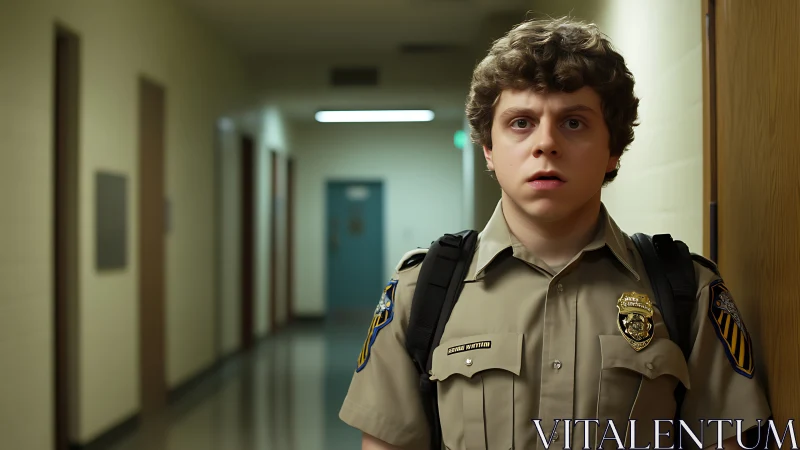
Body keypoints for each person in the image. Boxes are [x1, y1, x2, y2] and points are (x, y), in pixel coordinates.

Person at [339, 16, 772, 450]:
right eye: (521, 123)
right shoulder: (422, 292)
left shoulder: (687, 291)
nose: (545, 143)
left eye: (573, 123)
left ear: (613, 150)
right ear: (488, 148)